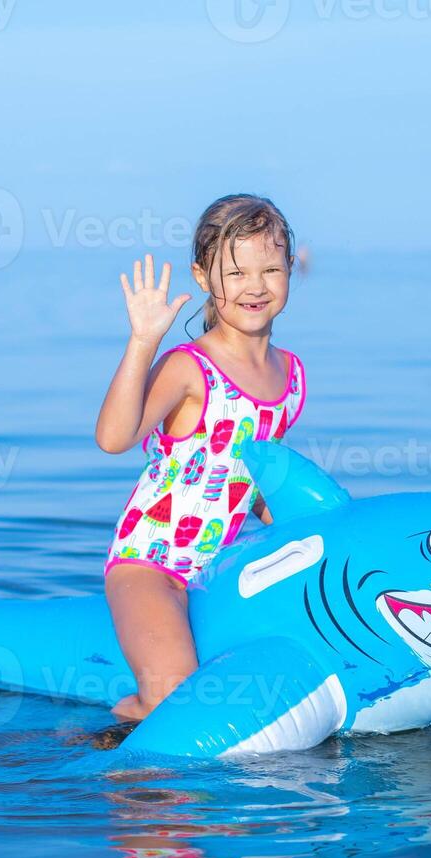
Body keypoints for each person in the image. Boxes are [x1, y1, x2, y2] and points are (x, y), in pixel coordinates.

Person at [93, 194, 306, 722]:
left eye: (271, 269)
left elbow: (251, 477)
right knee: (175, 703)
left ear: (290, 271)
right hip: (152, 566)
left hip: (218, 569)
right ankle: (113, 739)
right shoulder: (190, 368)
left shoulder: (292, 376)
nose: (255, 286)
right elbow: (114, 438)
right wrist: (144, 342)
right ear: (204, 277)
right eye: (236, 272)